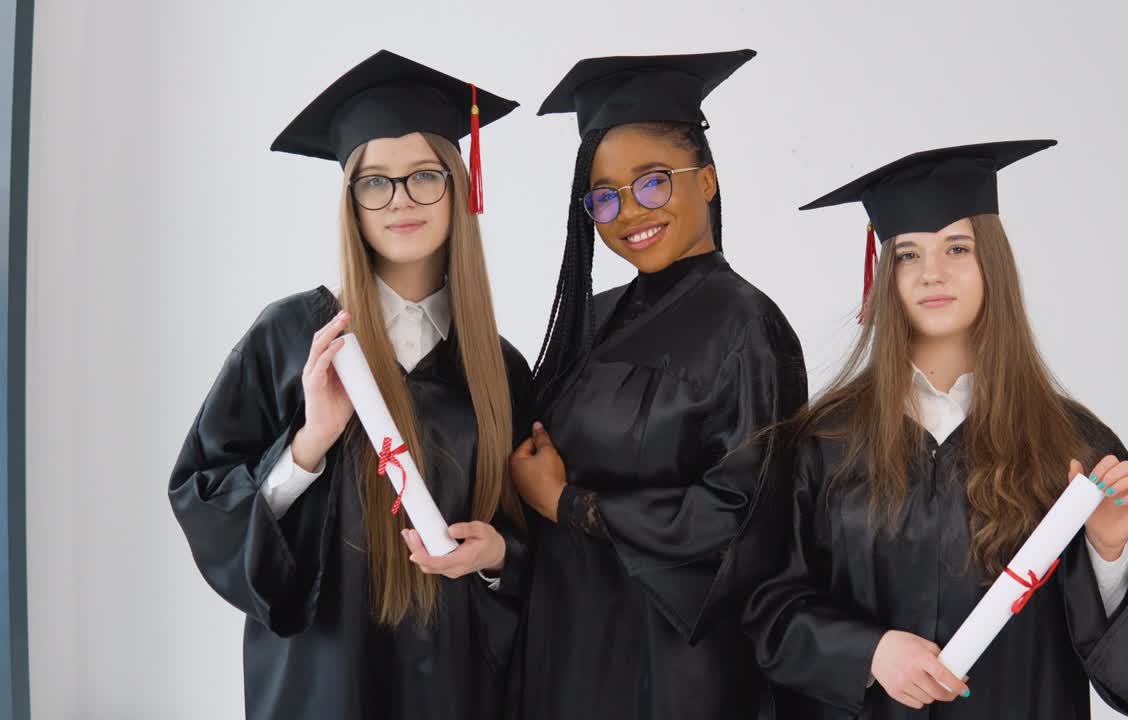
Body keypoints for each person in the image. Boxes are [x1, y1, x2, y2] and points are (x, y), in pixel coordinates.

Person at [743, 140, 1128, 719]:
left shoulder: (1071, 443)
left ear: (993, 263)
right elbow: (770, 608)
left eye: (957, 248)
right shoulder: (825, 443)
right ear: (884, 275)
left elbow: (1123, 666)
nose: (932, 273)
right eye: (908, 254)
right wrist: (870, 652)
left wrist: (1106, 551)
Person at [168, 50, 531, 719]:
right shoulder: (291, 340)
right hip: (323, 684)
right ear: (352, 204)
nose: (401, 199)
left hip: (453, 689)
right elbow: (204, 498)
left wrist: (499, 554)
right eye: (375, 182)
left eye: (424, 176)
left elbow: (531, 539)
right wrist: (310, 443)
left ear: (458, 186)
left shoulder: (499, 370)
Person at [507, 49, 809, 719]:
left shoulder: (747, 326)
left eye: (652, 182)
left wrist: (568, 504)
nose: (627, 211)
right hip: (567, 645)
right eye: (604, 196)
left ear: (707, 180)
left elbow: (741, 518)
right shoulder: (590, 318)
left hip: (669, 668)